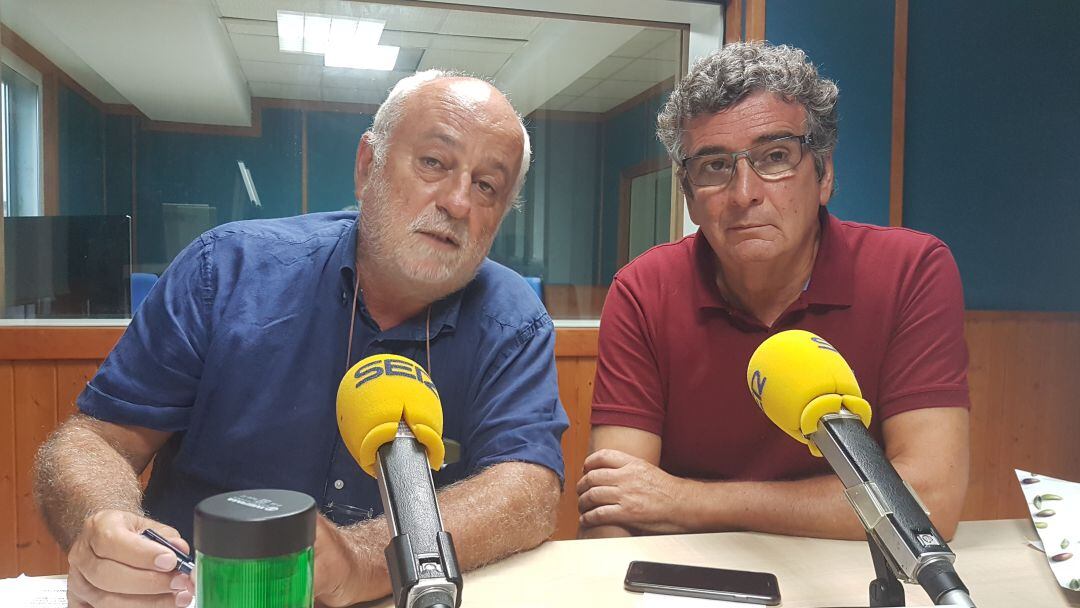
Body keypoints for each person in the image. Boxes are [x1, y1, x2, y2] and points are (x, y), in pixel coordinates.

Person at [34, 70, 568, 608]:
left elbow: (526, 488)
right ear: (368, 167)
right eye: (434, 162)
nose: (457, 201)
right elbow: (97, 440)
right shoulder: (225, 269)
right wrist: (100, 527)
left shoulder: (513, 319)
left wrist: (362, 560)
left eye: (487, 185)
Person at [577, 42, 970, 541]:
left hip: (854, 576)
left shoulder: (911, 271)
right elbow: (618, 507)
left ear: (824, 175)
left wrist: (689, 502)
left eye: (776, 157)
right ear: (690, 197)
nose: (745, 193)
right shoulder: (644, 290)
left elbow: (928, 503)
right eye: (714, 166)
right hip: (690, 579)